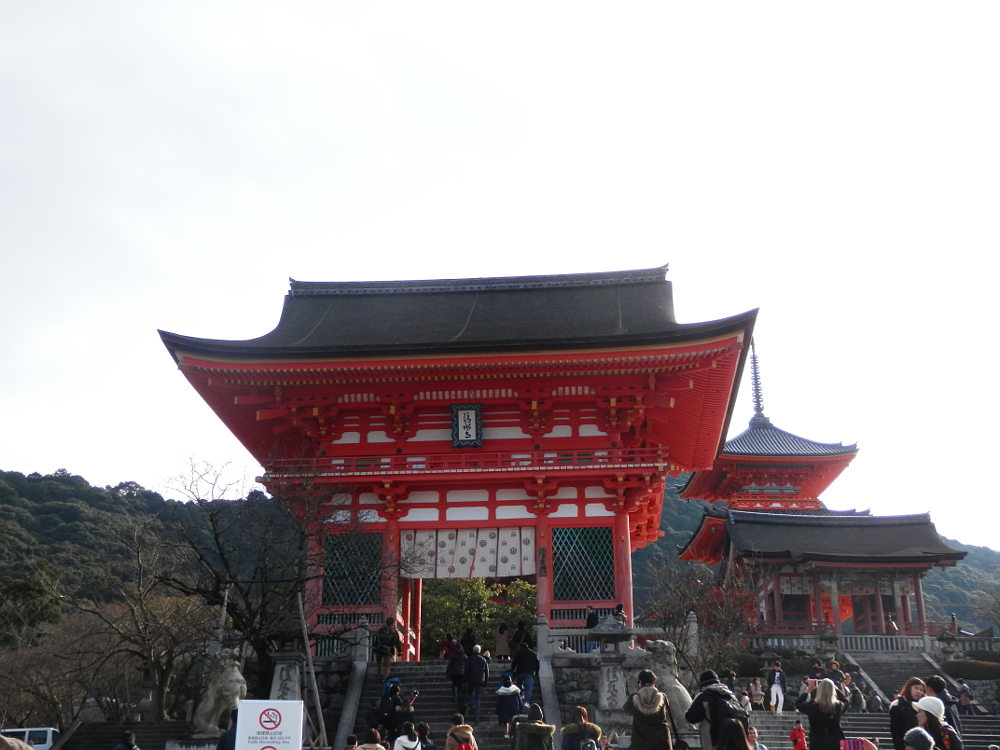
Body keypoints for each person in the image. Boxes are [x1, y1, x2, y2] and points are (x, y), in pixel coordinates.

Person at [685, 669, 744, 750]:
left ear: (704, 686)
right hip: (735, 743)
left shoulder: (704, 696)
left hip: (713, 744)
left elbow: (690, 717)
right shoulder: (731, 696)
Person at [622, 669, 671, 750]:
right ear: (654, 684)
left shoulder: (634, 698)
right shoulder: (662, 698)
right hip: (661, 743)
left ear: (640, 683)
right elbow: (667, 711)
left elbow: (626, 709)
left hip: (639, 744)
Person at [796, 678, 847, 750]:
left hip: (817, 744)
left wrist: (808, 690)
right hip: (835, 743)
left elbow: (798, 703)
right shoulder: (838, 706)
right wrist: (837, 690)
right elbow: (846, 702)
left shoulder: (812, 706)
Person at [890, 678, 926, 750]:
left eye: (921, 690)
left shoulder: (923, 707)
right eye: (916, 688)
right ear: (909, 688)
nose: (918, 691)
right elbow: (896, 734)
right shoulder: (897, 706)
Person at [466, 644, 490, 719]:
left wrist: (465, 680)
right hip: (480, 680)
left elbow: (466, 670)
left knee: (468, 694)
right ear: (479, 651)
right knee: (478, 697)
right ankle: (477, 713)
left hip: (471, 680)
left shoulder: (469, 659)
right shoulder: (483, 660)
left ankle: (472, 703)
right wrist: (485, 683)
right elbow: (487, 673)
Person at [496, 674, 523, 739]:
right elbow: (519, 700)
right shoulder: (515, 690)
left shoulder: (501, 691)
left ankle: (506, 733)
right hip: (514, 708)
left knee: (505, 722)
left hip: (504, 709)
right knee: (513, 721)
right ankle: (512, 733)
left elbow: (499, 702)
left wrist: (497, 710)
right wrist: (521, 707)